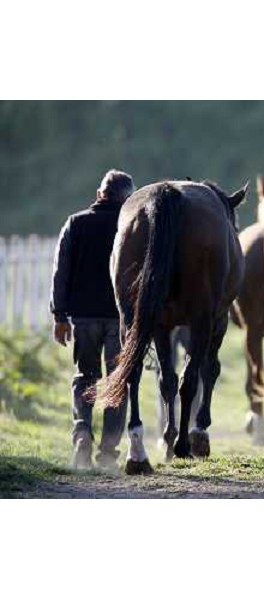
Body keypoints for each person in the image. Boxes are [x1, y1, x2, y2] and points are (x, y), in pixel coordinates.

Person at [49, 169, 135, 469]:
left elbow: (61, 272)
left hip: (83, 317)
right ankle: (108, 452)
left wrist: (59, 315)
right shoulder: (132, 228)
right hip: (119, 319)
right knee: (116, 383)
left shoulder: (76, 223)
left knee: (85, 378)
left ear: (101, 194)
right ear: (128, 200)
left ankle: (82, 433)